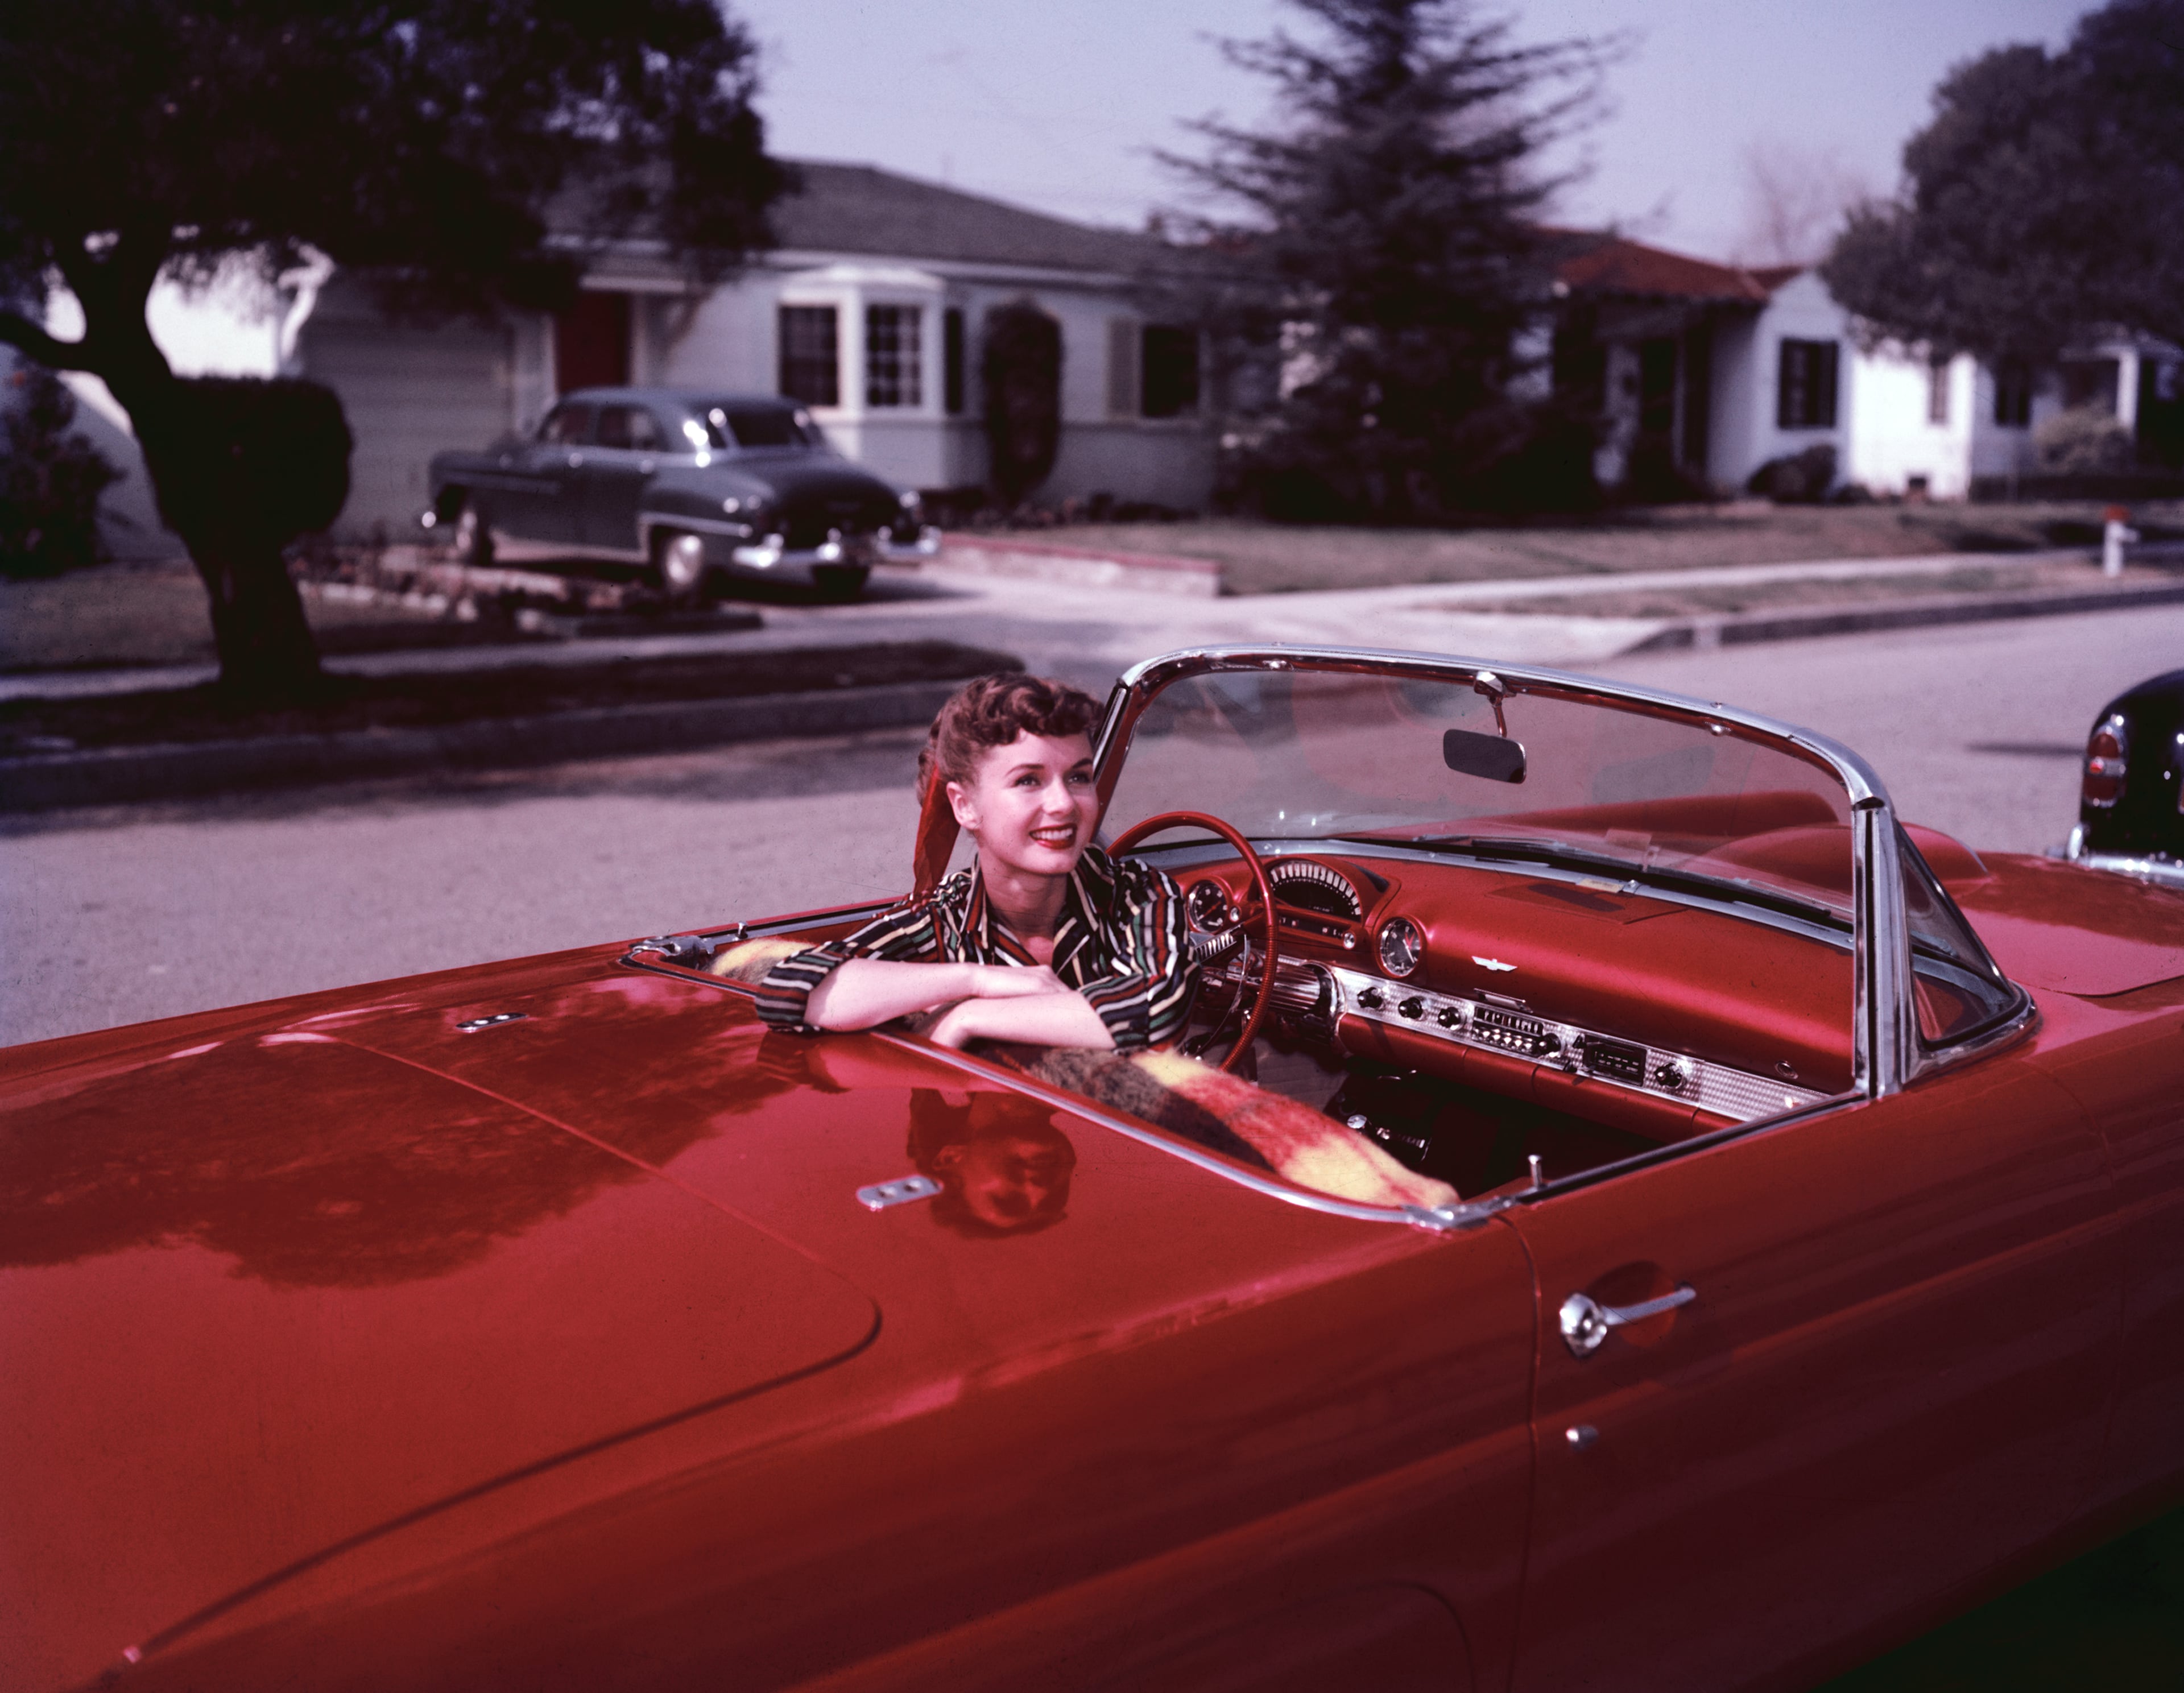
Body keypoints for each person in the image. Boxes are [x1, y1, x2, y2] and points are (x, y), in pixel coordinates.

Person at [754, 673, 1196, 1052]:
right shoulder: (945, 918)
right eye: (1028, 780)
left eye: (1078, 776)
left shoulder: (1137, 893)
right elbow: (788, 991)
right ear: (965, 806)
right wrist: (974, 979)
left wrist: (970, 1017)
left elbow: (1158, 1008)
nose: (1064, 803)